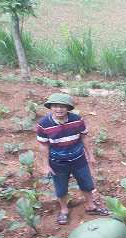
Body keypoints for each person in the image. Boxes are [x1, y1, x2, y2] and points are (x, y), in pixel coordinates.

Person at [35, 93, 107, 225]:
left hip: (78, 159)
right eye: (55, 106)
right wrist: (46, 165)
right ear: (50, 107)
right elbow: (44, 146)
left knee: (87, 183)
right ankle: (64, 210)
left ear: (68, 108)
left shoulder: (77, 120)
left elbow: (84, 137)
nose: (59, 109)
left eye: (63, 106)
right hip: (57, 162)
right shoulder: (43, 124)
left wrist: (90, 155)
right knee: (61, 188)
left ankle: (91, 206)